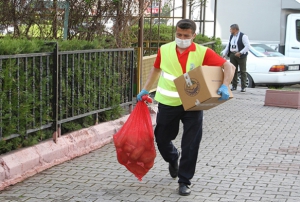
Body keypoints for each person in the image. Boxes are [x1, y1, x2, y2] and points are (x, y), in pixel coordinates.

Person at [136, 19, 235, 196]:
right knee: (161, 138)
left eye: (186, 36)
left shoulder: (202, 52)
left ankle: (184, 181)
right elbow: (156, 69)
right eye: (179, 35)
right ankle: (173, 157)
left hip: (194, 104)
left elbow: (229, 66)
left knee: (191, 144)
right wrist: (145, 88)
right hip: (168, 102)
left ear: (193, 36)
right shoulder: (165, 49)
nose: (182, 38)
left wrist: (225, 85)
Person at [221, 24, 250, 92]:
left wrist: (240, 52)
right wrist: (224, 53)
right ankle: (234, 86)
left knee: (243, 71)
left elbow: (247, 46)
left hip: (241, 55)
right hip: (233, 54)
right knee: (233, 70)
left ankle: (243, 87)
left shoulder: (243, 36)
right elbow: (228, 45)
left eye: (231, 29)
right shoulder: (231, 36)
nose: (230, 31)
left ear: (235, 29)